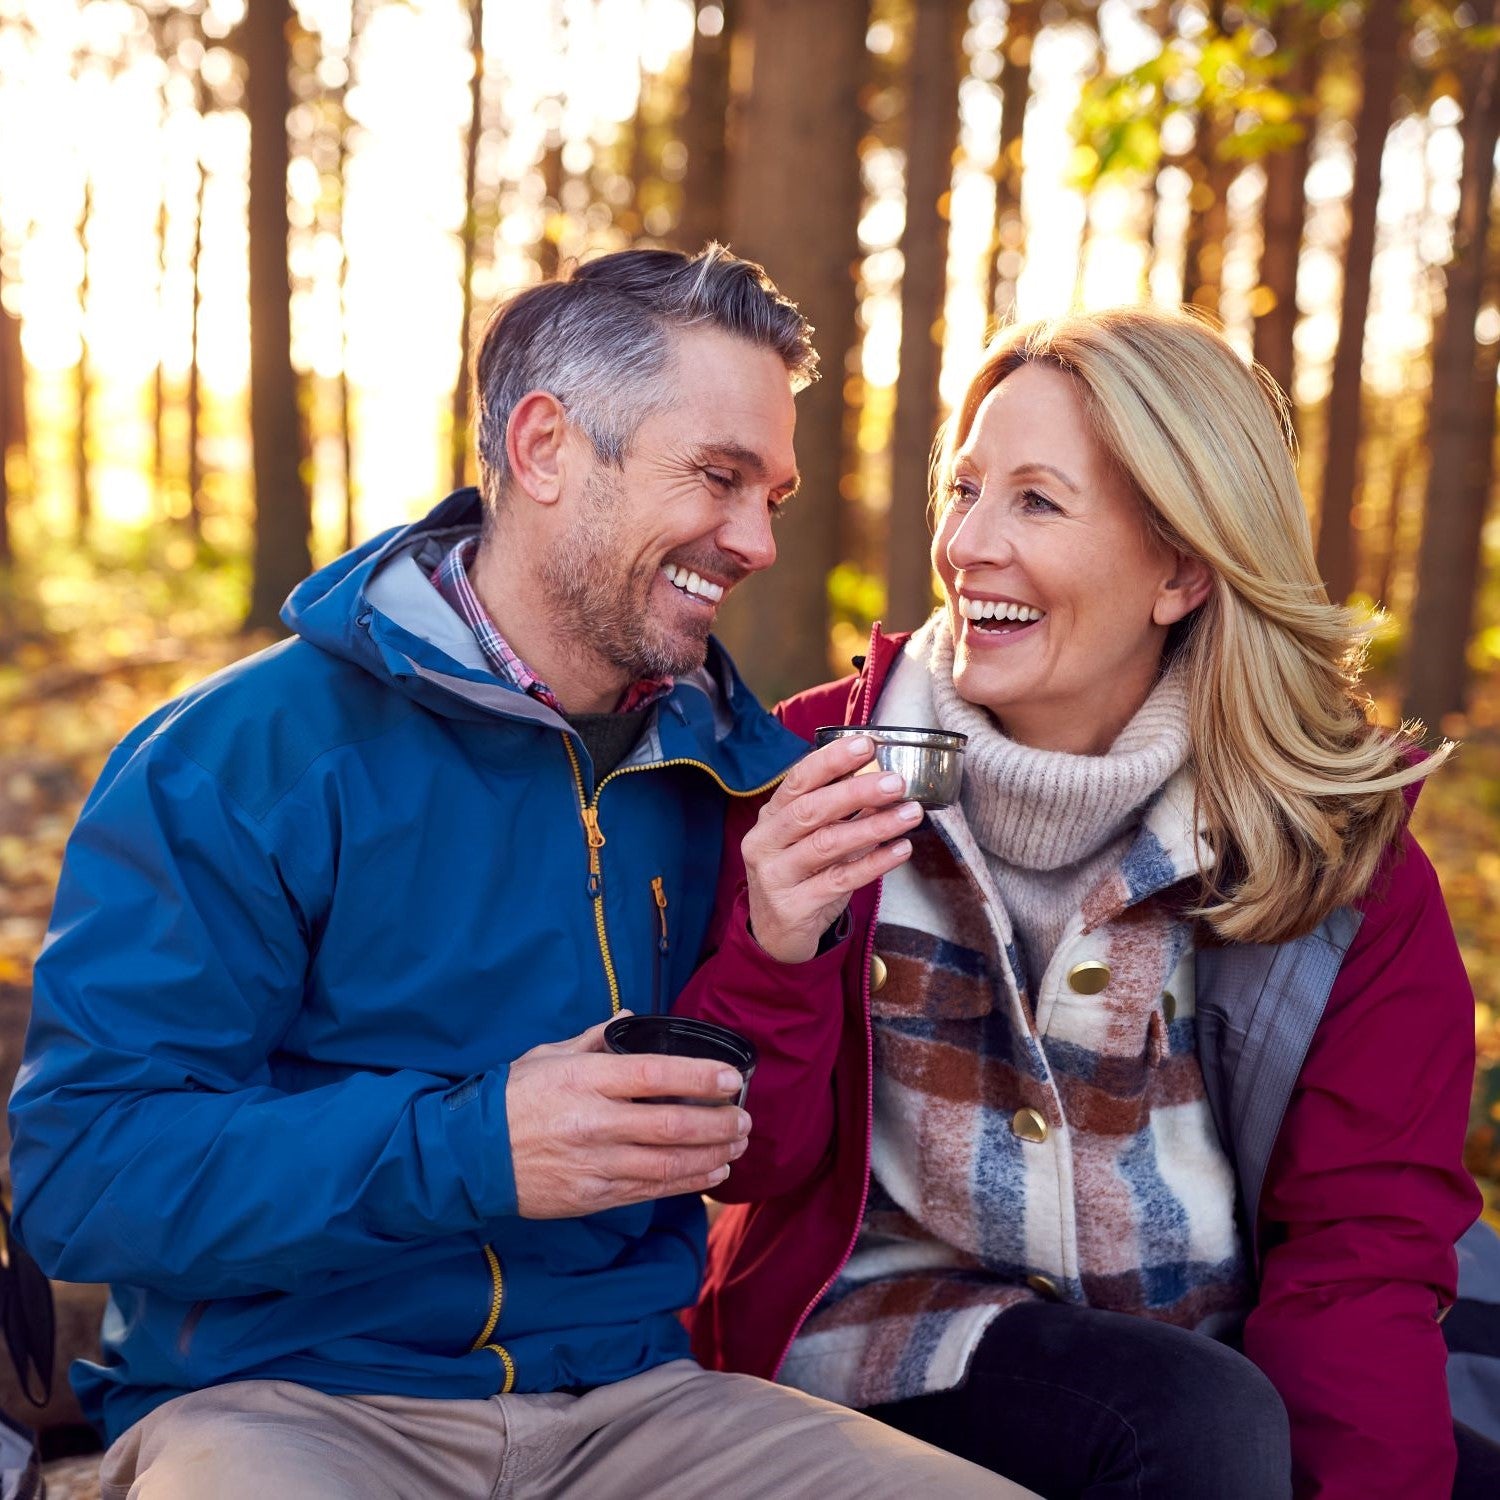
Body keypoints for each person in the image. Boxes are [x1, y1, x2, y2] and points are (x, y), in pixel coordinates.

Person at [8, 246, 1030, 1500]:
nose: (759, 540)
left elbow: (758, 1163)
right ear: (545, 448)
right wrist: (475, 1147)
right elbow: (87, 1175)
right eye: (718, 478)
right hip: (284, 1408)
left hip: (635, 1406)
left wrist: (779, 947)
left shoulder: (729, 767)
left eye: (772, 494)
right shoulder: (241, 759)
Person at [674, 305, 1486, 1499]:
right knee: (1192, 1424)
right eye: (965, 490)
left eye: (1037, 504)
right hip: (889, 1334)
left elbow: (1358, 1249)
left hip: (1213, 1331)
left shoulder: (1331, 852)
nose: (968, 545)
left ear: (1182, 570)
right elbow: (749, 1165)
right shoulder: (814, 771)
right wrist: (779, 948)